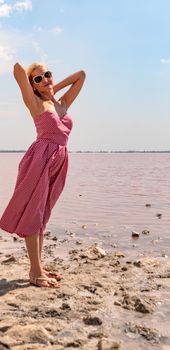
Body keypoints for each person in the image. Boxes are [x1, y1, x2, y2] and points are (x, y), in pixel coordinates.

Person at [0, 62, 86, 288]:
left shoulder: (61, 103)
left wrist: (53, 87)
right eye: (38, 79)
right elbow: (18, 70)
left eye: (47, 74)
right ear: (33, 87)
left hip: (60, 160)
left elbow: (81, 75)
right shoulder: (35, 102)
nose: (45, 79)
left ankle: (38, 266)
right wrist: (33, 83)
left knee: (43, 213)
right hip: (40, 158)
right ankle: (35, 272)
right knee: (33, 212)